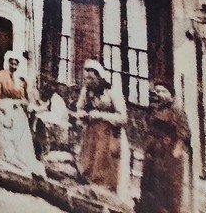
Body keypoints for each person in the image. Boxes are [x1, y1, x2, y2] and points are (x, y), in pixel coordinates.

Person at [73, 60, 128, 195]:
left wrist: (100, 115)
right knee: (89, 163)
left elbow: (123, 118)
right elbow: (79, 107)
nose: (88, 82)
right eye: (86, 78)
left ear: (100, 77)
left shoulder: (112, 91)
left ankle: (104, 191)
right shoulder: (86, 90)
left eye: (92, 78)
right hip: (92, 133)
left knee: (105, 165)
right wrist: (82, 115)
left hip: (110, 133)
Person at [136, 84, 190, 213]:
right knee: (150, 183)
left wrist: (176, 152)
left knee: (167, 186)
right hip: (153, 152)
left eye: (163, 91)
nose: (159, 94)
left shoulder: (177, 112)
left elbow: (183, 134)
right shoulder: (155, 110)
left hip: (168, 154)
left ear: (171, 95)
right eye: (158, 91)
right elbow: (148, 128)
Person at [0, 52, 43, 175]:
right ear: (7, 62)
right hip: (4, 110)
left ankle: (24, 160)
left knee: (22, 133)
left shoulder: (19, 80)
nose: (13, 66)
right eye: (11, 63)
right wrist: (9, 104)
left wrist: (23, 103)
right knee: (8, 136)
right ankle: (9, 158)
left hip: (17, 111)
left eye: (16, 64)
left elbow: (24, 98)